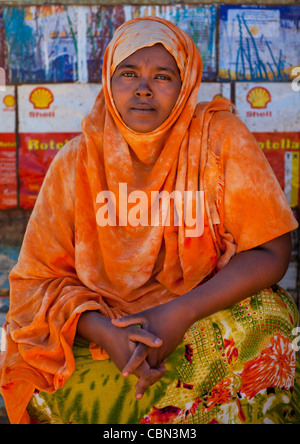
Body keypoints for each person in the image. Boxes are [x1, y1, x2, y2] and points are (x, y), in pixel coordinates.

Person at [1, 17, 300, 425]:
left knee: (273, 318)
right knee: (37, 366)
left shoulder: (218, 138)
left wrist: (178, 314)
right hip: (105, 331)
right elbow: (35, 283)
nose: (143, 88)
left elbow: (272, 251)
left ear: (185, 84)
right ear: (108, 80)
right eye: (128, 73)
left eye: (162, 76)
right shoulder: (77, 161)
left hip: (203, 317)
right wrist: (111, 334)